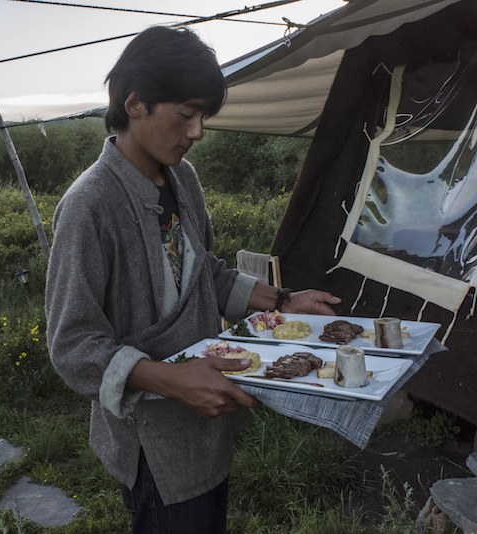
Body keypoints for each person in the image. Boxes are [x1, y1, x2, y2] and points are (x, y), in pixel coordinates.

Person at [44, 26, 341, 534]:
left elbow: (204, 273)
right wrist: (173, 380)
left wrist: (284, 302)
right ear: (135, 104)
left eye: (203, 116)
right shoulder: (89, 206)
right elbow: (72, 343)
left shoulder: (183, 181)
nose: (198, 131)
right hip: (152, 442)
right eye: (186, 115)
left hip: (206, 416)